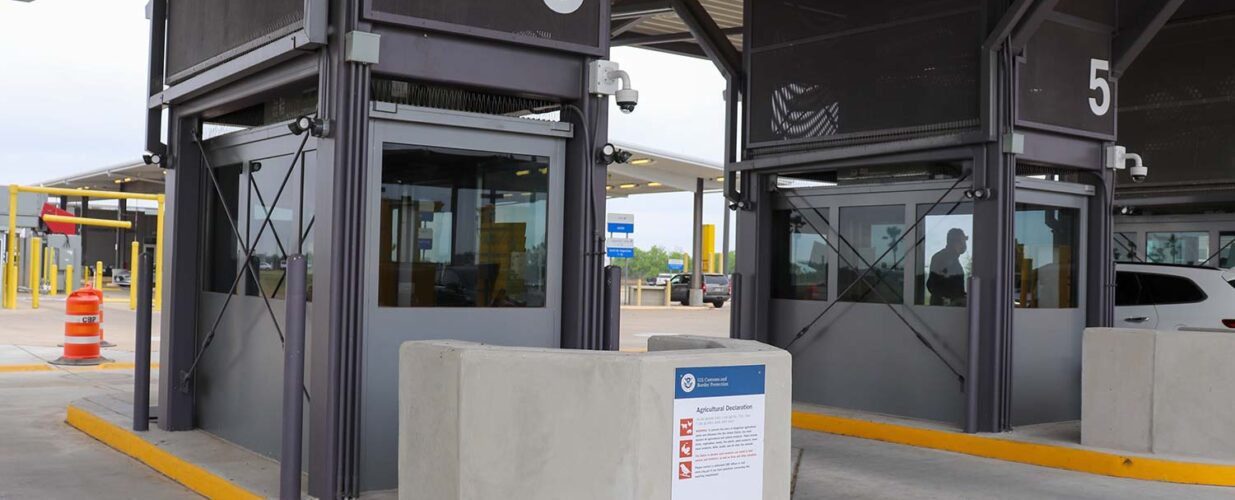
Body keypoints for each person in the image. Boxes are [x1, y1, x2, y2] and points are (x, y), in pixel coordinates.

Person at [928, 228, 968, 306]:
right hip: (944, 311)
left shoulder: (952, 259)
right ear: (956, 241)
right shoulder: (945, 259)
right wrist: (953, 300)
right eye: (963, 240)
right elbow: (933, 285)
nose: (964, 244)